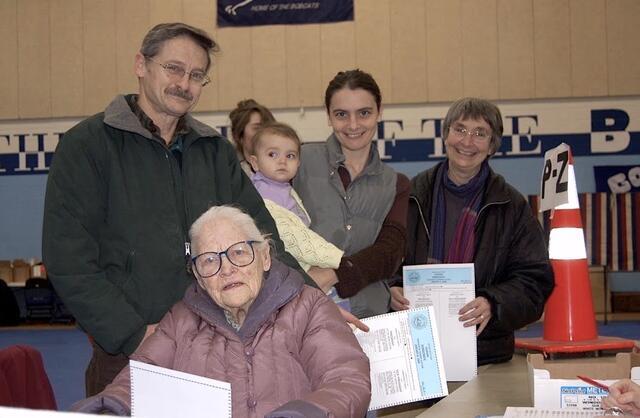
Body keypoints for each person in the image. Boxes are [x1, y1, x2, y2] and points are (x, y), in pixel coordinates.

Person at [42, 22, 309, 396]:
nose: (185, 83)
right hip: (130, 357)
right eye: (174, 68)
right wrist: (133, 333)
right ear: (141, 65)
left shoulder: (213, 151)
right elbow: (68, 259)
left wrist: (314, 307)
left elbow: (262, 240)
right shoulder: (86, 147)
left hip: (221, 347)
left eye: (197, 75)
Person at [70, 205, 371, 418]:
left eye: (239, 252)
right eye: (210, 260)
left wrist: (306, 413)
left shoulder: (309, 307)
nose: (227, 269)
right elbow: (139, 379)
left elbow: (346, 379)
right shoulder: (180, 320)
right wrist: (110, 405)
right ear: (199, 276)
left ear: (265, 257)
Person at [390, 97, 554, 365]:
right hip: (414, 350)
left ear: (492, 146)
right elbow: (384, 263)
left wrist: (493, 303)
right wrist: (392, 289)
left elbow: (534, 282)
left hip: (485, 355)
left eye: (480, 133)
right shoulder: (408, 197)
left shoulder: (512, 207)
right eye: (460, 129)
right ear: (445, 135)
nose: (467, 142)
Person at [293, 69, 410, 319]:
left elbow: (389, 254)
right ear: (328, 116)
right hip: (305, 314)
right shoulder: (298, 162)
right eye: (341, 115)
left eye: (364, 113)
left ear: (379, 112)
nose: (353, 125)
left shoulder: (396, 184)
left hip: (371, 318)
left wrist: (332, 274)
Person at [248, 122, 344, 272]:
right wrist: (337, 258)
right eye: (272, 154)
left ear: (298, 163)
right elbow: (291, 237)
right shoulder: (261, 195)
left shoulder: (284, 188)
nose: (282, 161)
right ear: (255, 162)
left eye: (290, 156)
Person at [228, 99, 276, 175]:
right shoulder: (229, 171)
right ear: (239, 134)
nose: (264, 133)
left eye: (268, 127)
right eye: (257, 128)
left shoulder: (284, 167)